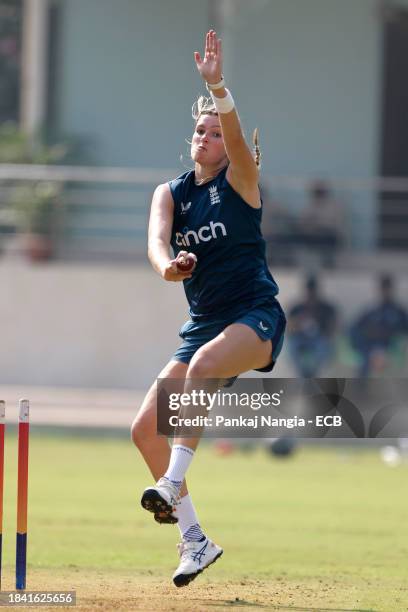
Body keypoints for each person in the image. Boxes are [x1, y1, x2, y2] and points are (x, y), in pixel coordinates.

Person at [131, 30, 286, 587]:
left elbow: (237, 137)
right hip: (201, 326)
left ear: (233, 146)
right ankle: (194, 540)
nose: (205, 137)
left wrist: (218, 87)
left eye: (216, 133)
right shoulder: (170, 193)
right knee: (145, 429)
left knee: (199, 373)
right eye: (200, 129)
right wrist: (167, 267)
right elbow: (155, 242)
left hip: (255, 317)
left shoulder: (243, 181)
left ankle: (171, 485)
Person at [349, 274, 408, 377]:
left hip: (389, 346)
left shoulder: (399, 311)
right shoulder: (371, 310)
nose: (385, 291)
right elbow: (355, 327)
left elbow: (404, 330)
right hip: (369, 346)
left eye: (387, 288)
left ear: (391, 289)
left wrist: (390, 333)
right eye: (383, 288)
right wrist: (370, 332)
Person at [288, 276, 337, 378]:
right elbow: (289, 329)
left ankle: (313, 374)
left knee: (322, 347)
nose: (310, 294)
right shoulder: (296, 308)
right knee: (292, 347)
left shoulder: (326, 308)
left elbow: (334, 327)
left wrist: (325, 329)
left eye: (313, 291)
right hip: (300, 339)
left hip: (320, 339)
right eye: (309, 291)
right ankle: (303, 376)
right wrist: (298, 323)